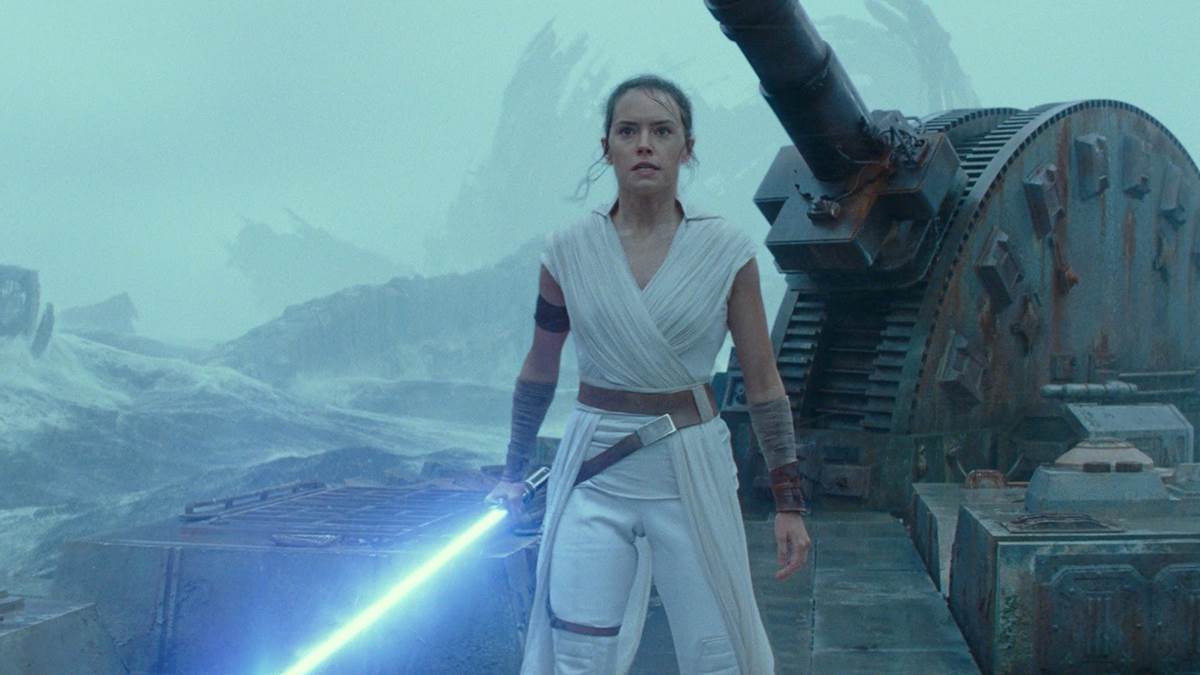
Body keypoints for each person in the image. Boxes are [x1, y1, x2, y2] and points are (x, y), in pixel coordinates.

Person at [486, 74, 810, 675]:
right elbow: (539, 369)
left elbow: (763, 381)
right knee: (579, 654)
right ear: (606, 146)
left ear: (687, 148)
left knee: (715, 655)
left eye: (662, 131)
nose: (644, 145)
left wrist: (789, 503)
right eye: (628, 131)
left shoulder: (726, 251)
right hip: (594, 472)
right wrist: (512, 472)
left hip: (692, 471)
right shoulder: (568, 251)